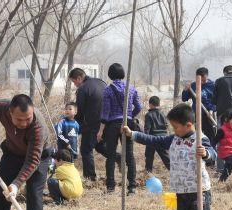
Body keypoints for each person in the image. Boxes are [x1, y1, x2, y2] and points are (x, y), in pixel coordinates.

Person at [122, 103, 216, 210]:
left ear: (188, 125)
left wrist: (206, 153)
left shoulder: (200, 139)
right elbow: (154, 140)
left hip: (199, 193)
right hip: (181, 193)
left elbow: (213, 156)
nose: (173, 130)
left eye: (175, 127)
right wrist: (133, 134)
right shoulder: (173, 139)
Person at [68, 68, 120, 181]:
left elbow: (79, 110)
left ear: (79, 78)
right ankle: (119, 157)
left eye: (74, 82)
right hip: (108, 122)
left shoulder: (83, 88)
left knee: (86, 149)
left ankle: (90, 178)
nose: (75, 84)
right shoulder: (102, 82)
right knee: (100, 146)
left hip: (92, 124)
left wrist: (74, 123)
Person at [98, 63, 141, 195]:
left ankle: (111, 187)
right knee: (130, 156)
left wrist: (100, 131)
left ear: (110, 75)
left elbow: (105, 113)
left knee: (110, 156)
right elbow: (138, 107)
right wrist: (129, 116)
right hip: (127, 125)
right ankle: (132, 187)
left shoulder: (108, 90)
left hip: (112, 126)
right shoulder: (131, 88)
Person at [181, 67, 217, 145]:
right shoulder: (193, 86)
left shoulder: (213, 85)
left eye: (204, 80)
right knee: (196, 135)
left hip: (208, 115)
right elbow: (184, 98)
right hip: (196, 114)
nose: (202, 82)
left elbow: (216, 101)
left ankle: (210, 152)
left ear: (207, 76)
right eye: (200, 80)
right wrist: (185, 90)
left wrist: (212, 109)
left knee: (210, 135)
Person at [144, 96, 170, 173]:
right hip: (163, 138)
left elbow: (147, 129)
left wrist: (145, 139)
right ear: (158, 104)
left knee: (149, 156)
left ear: (150, 104)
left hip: (152, 138)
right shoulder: (163, 113)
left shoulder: (148, 115)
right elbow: (166, 125)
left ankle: (148, 172)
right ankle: (174, 171)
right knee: (166, 157)